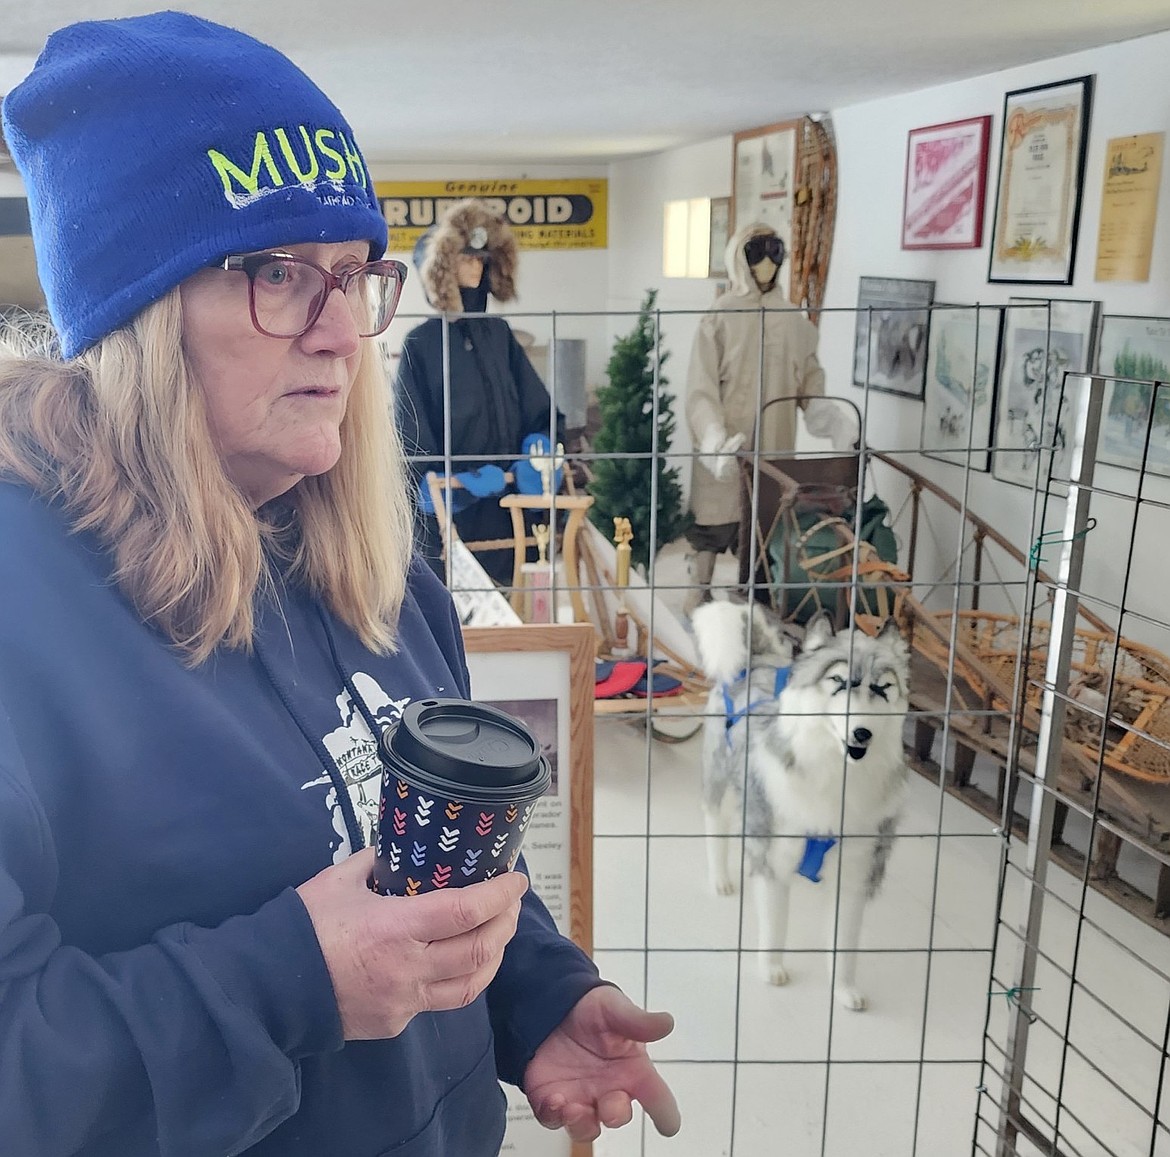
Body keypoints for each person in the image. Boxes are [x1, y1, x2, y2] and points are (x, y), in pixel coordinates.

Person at [0, 12, 679, 1156]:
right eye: (274, 272)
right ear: (136, 311)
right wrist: (293, 979)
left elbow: (435, 849)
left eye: (354, 274)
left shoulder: (374, 563)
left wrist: (536, 993)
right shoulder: (25, 606)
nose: (337, 334)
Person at [684, 222, 857, 609]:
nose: (765, 264)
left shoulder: (794, 321)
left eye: (773, 253)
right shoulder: (719, 318)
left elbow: (810, 383)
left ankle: (759, 597)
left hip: (776, 443)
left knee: (768, 522)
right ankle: (701, 588)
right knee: (716, 518)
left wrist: (832, 420)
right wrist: (713, 439)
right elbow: (701, 389)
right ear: (739, 259)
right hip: (730, 440)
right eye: (755, 254)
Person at [394, 198, 564, 585]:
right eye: (464, 258)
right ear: (439, 271)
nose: (476, 266)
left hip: (511, 507)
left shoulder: (499, 335)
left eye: (481, 259)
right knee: (458, 609)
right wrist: (447, 485)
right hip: (454, 519)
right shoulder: (421, 344)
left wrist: (539, 451)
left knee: (515, 598)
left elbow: (540, 410)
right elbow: (408, 436)